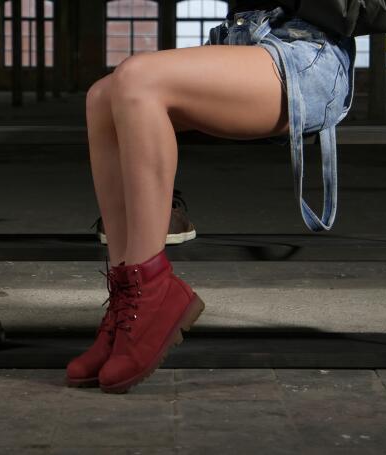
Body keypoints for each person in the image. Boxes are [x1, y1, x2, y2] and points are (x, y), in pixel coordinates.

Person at [66, 0, 356, 394]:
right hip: (244, 40)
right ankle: (126, 300)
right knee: (101, 97)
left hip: (308, 55)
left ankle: (151, 289)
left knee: (136, 77)